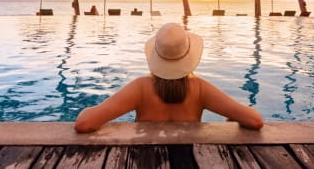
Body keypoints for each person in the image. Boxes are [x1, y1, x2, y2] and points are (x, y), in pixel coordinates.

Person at [74, 23, 263, 133]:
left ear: (156, 54)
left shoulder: (140, 87)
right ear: (188, 54)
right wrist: (231, 116)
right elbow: (254, 120)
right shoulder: (200, 89)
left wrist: (89, 110)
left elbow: (84, 124)